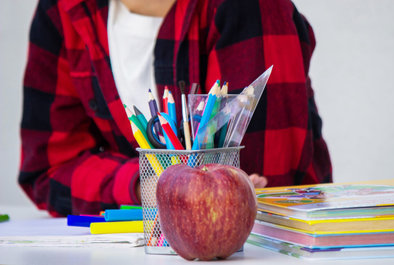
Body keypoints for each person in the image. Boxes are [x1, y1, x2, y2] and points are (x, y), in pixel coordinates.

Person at [19, 0, 332, 217]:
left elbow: (258, 190)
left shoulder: (251, 7)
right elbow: (49, 170)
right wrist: (144, 186)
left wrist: (164, 189)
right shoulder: (64, 10)